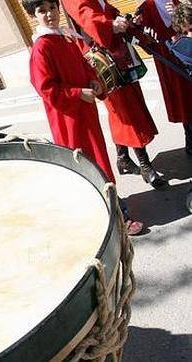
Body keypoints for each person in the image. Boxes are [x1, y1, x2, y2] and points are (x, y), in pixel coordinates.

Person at [25, 0, 144, 236]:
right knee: (87, 164)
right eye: (41, 11)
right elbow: (46, 89)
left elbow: (84, 65)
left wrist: (93, 81)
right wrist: (78, 93)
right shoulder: (42, 47)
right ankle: (116, 215)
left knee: (97, 160)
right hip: (69, 119)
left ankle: (107, 207)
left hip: (85, 112)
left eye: (51, 8)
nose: (49, 14)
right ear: (33, 15)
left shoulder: (65, 37)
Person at [62, 0, 166, 189]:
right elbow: (87, 17)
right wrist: (110, 24)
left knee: (122, 110)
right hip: (103, 57)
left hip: (116, 53)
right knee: (126, 111)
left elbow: (104, 10)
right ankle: (145, 165)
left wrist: (122, 18)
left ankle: (123, 158)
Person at [136, 0, 192, 154]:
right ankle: (190, 139)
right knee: (183, 100)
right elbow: (143, 37)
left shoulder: (176, 1)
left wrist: (179, 13)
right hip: (168, 58)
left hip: (186, 52)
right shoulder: (146, 8)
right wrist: (141, 31)